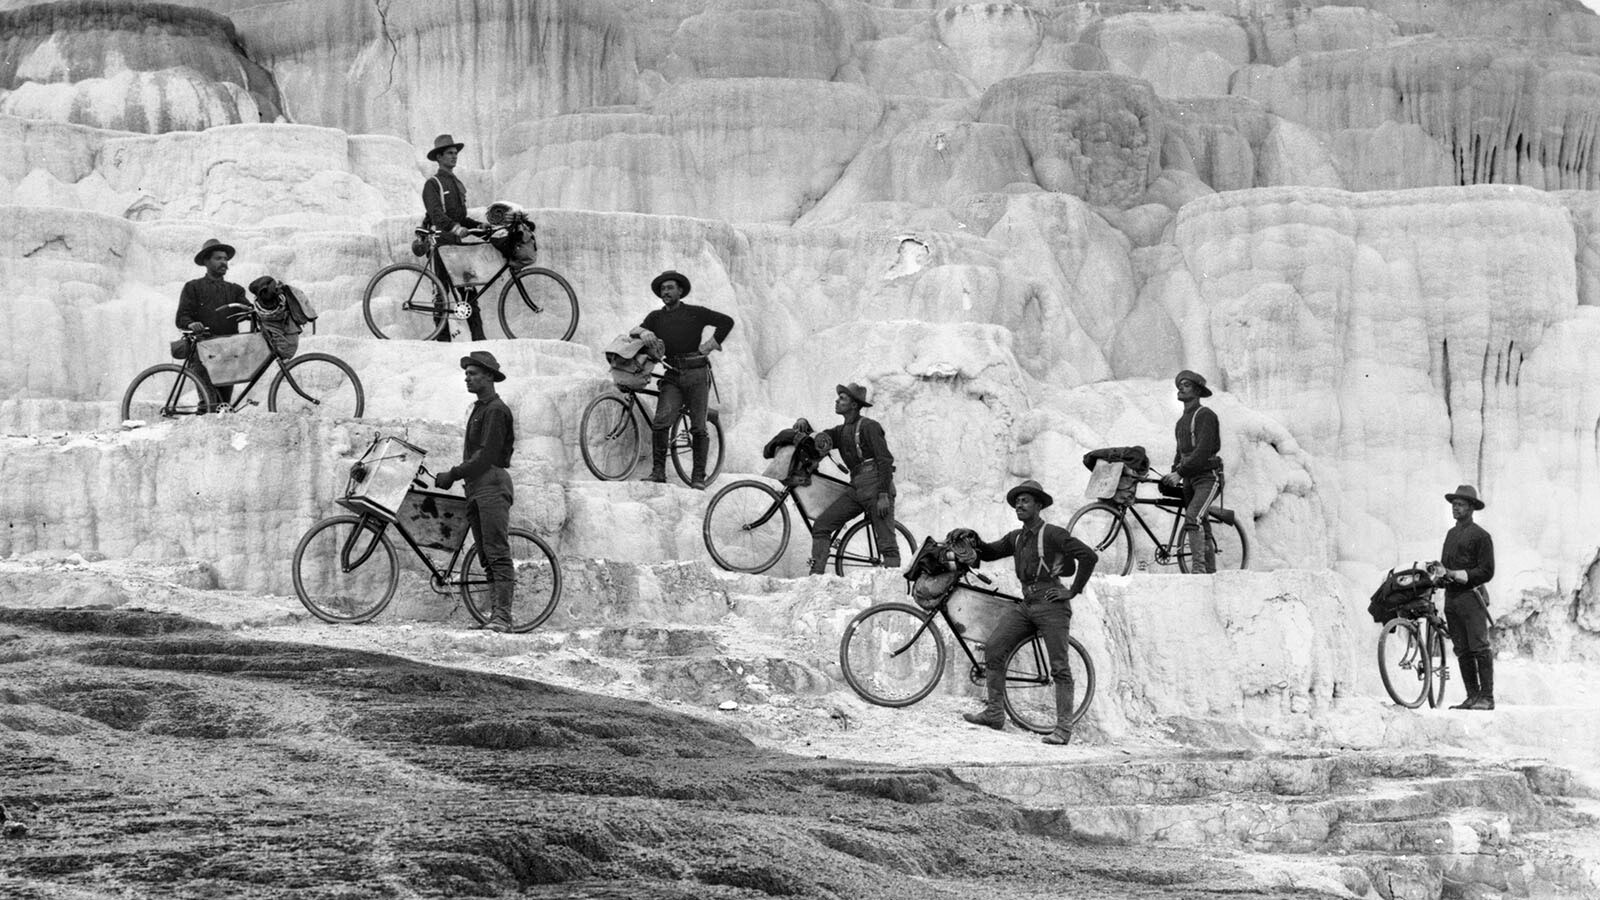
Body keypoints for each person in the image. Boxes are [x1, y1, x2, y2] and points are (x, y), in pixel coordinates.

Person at [959, 480, 1097, 746]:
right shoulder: (1017, 537)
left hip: (1051, 605)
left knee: (1059, 667)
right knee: (995, 648)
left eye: (1025, 501)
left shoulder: (1054, 534)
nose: (1019, 505)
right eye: (1017, 502)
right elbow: (989, 553)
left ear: (1039, 505)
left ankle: (1063, 730)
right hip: (1027, 604)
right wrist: (973, 539)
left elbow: (1089, 557)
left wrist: (1072, 591)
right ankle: (995, 713)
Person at [434, 351, 517, 632]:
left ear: (490, 376)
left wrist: (453, 474)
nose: (467, 378)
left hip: (492, 484)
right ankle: (496, 617)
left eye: (473, 373)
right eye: (466, 374)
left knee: (497, 553)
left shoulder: (495, 410)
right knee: (486, 557)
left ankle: (503, 617)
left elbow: (486, 455)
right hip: (478, 488)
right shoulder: (481, 408)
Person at [636, 270, 733, 488]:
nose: (666, 292)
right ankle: (658, 472)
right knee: (661, 422)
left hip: (697, 373)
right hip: (672, 374)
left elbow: (726, 321)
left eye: (670, 288)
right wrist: (642, 332)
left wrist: (710, 345)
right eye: (662, 289)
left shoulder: (695, 313)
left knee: (698, 426)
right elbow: (635, 331)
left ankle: (698, 477)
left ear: (680, 290)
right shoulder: (655, 317)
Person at [807, 383, 900, 573]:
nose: (837, 400)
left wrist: (883, 494)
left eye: (843, 398)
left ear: (854, 405)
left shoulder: (870, 427)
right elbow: (822, 438)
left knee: (887, 545)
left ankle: (892, 593)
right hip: (857, 488)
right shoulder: (840, 432)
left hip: (876, 488)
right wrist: (804, 425)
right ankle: (815, 577)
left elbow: (884, 460)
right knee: (822, 526)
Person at [421, 133, 487, 342]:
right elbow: (437, 216)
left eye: (455, 153)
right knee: (442, 292)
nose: (454, 156)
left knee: (469, 292)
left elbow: (460, 217)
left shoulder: (455, 183)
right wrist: (456, 229)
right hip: (441, 243)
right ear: (439, 157)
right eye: (449, 153)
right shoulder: (433, 184)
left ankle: (479, 339)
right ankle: (442, 341)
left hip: (457, 246)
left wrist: (479, 226)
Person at [1160, 369, 1223, 574]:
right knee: (1200, 522)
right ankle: (1210, 572)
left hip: (1208, 477)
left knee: (1193, 518)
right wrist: (1172, 474)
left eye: (1186, 385)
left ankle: (1198, 571)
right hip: (1189, 480)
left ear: (1197, 391)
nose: (1181, 388)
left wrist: (1180, 472)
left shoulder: (1206, 415)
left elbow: (1203, 451)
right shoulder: (1181, 422)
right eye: (1180, 386)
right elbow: (1181, 453)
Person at [1440, 485, 1496, 710]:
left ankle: (1487, 698)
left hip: (1471, 597)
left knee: (1479, 647)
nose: (1456, 508)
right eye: (1454, 504)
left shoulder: (1481, 536)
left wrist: (1462, 575)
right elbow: (1445, 563)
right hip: (1451, 598)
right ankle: (1472, 696)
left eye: (1461, 504)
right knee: (1461, 649)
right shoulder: (1451, 534)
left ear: (1472, 508)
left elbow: (1487, 571)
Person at [176, 237, 246, 407]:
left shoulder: (235, 290)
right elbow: (181, 317)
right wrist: (191, 324)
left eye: (225, 259)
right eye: (218, 258)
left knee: (224, 404)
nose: (223, 262)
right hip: (202, 348)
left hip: (228, 349)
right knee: (209, 402)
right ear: (206, 262)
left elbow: (246, 311)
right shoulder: (193, 287)